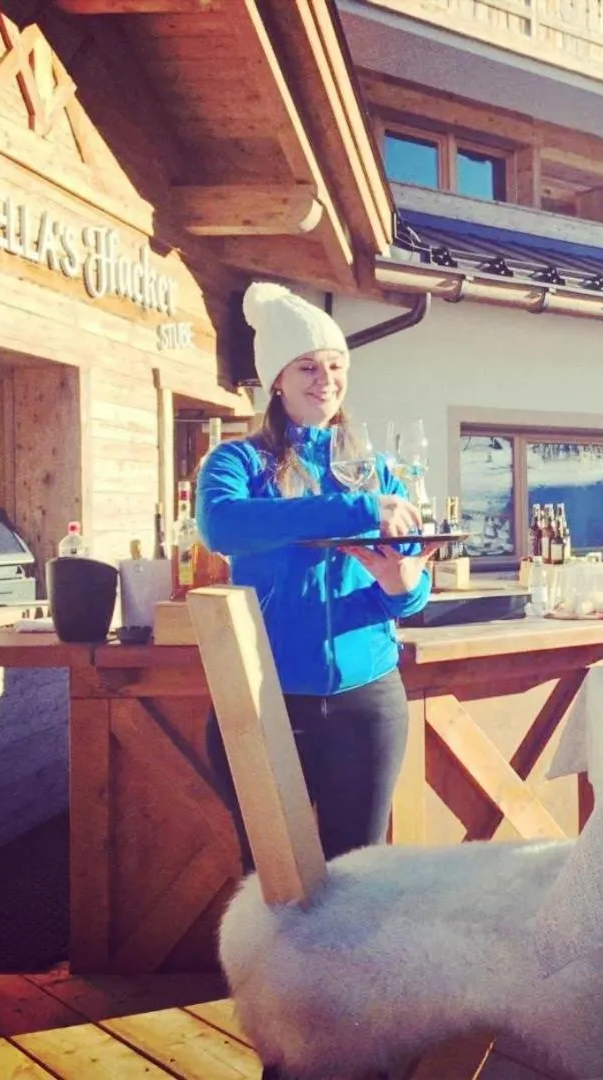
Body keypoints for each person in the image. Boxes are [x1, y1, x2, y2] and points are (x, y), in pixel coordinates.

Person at [198, 282, 435, 882]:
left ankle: (345, 981)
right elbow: (223, 526)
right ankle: (274, 981)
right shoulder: (237, 462)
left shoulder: (375, 469)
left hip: (368, 699)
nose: (324, 378)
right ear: (276, 379)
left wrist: (401, 585)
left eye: (335, 365)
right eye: (306, 366)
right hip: (266, 695)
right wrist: (356, 511)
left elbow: (410, 583)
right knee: (272, 876)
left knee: (359, 874)